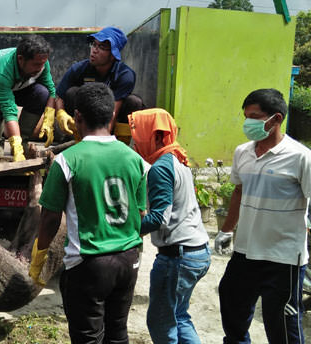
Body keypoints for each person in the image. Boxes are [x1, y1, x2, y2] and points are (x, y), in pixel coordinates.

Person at [28, 83, 147, 344]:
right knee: (117, 335)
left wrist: (40, 257)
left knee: (87, 338)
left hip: (90, 263)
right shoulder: (134, 158)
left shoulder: (67, 160)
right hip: (129, 260)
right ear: (113, 116)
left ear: (77, 117)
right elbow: (140, 212)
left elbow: (49, 218)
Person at [215, 88, 311, 343]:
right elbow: (238, 191)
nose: (248, 123)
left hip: (283, 258)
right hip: (246, 251)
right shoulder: (242, 152)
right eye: (246, 116)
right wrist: (226, 230)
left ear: (276, 119)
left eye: (255, 117)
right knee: (231, 306)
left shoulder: (300, 157)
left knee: (281, 326)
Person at [129, 108, 211, 343]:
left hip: (178, 257)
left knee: (161, 323)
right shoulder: (176, 160)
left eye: (138, 134)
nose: (135, 141)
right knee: (179, 316)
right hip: (197, 251)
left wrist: (124, 230)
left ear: (155, 135)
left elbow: (158, 218)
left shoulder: (161, 168)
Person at [0, 35, 57, 160]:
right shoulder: (1, 70)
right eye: (36, 64)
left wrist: (49, 115)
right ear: (21, 59)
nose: (40, 68)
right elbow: (9, 109)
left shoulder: (41, 61)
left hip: (15, 86)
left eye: (42, 64)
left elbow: (51, 89)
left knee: (42, 93)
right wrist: (15, 144)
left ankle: (23, 141)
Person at [55, 26, 144, 143]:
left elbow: (114, 111)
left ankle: (121, 144)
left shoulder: (125, 75)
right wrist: (60, 113)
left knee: (134, 102)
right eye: (94, 44)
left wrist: (103, 142)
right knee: (72, 93)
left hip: (111, 120)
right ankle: (79, 140)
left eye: (101, 47)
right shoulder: (79, 69)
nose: (94, 50)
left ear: (113, 54)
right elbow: (59, 96)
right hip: (87, 120)